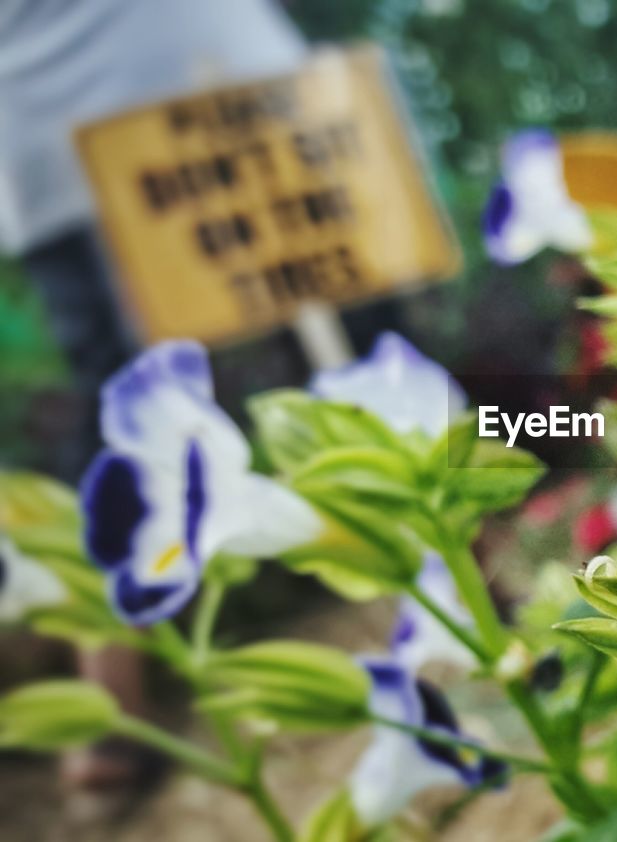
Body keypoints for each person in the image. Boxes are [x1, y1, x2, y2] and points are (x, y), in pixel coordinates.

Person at [0, 0, 307, 789]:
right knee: (325, 314)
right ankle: (465, 568)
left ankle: (115, 710)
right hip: (199, 73)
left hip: (64, 120)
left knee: (119, 391)